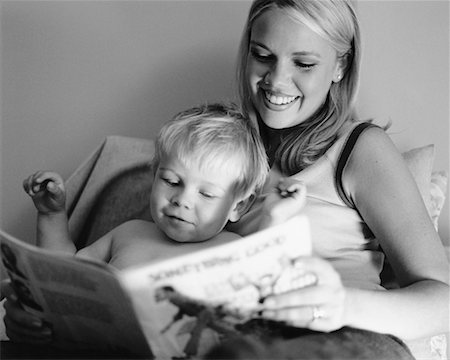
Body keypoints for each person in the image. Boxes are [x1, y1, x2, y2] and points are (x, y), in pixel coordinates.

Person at [2, 1, 448, 359]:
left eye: (304, 63)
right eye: (262, 55)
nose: (276, 80)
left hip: (339, 334)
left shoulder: (361, 149)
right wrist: (42, 320)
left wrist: (340, 306)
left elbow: (442, 301)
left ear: (339, 67)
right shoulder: (215, 143)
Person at [20, 102, 305, 270]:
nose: (182, 200)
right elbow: (65, 274)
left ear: (238, 206)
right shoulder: (128, 234)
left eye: (206, 193)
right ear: (155, 175)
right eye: (171, 181)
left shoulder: (233, 250)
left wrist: (275, 218)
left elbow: (269, 284)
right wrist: (51, 215)